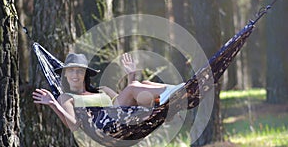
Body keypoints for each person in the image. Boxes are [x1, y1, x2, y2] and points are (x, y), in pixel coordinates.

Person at [32, 53, 184, 131]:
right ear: (64, 74)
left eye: (79, 71)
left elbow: (131, 103)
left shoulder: (102, 90)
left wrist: (131, 75)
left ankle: (167, 103)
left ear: (86, 74)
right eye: (71, 71)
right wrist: (53, 103)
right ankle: (169, 93)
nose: (75, 75)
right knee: (133, 87)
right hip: (107, 124)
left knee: (143, 83)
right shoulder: (66, 97)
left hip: (122, 115)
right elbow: (74, 126)